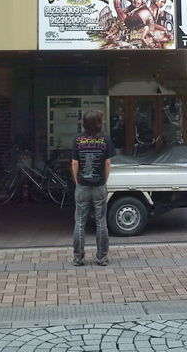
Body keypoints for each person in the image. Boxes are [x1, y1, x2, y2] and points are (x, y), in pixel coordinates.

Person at [71, 110, 115, 266]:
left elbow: (74, 163)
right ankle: (102, 257)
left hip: (82, 185)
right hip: (99, 186)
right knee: (101, 222)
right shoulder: (105, 139)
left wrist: (77, 181)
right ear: (98, 123)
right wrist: (104, 181)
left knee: (79, 222)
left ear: (84, 123)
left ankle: (78, 258)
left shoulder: (78, 139)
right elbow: (108, 163)